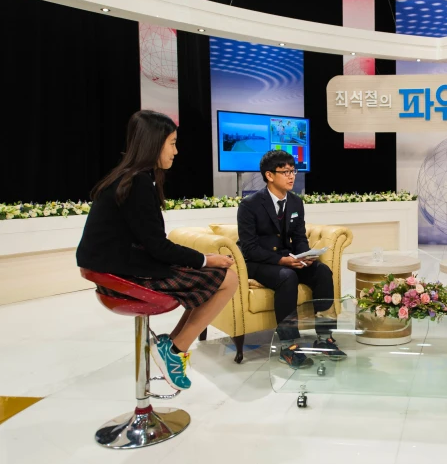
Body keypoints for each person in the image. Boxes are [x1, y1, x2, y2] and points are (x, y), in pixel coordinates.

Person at [77, 110, 238, 391]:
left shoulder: (131, 177)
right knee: (227, 278)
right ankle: (175, 350)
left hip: (118, 267)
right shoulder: (137, 182)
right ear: (154, 143)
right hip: (123, 275)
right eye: (172, 143)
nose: (176, 151)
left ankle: (172, 347)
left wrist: (198, 262)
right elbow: (158, 246)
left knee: (211, 275)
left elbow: (151, 243)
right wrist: (205, 259)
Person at [237, 150, 345, 369]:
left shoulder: (296, 202)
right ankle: (289, 345)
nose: (291, 175)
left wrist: (305, 256)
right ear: (269, 175)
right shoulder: (249, 205)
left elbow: (299, 237)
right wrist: (282, 261)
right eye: (285, 171)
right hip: (259, 263)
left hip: (288, 258)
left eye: (292, 170)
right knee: (287, 277)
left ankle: (325, 337)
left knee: (322, 271)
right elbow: (249, 248)